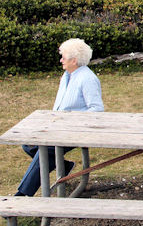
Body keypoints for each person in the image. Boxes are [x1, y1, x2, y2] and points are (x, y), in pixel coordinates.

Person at [15, 38, 104, 196]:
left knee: (46, 149)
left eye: (63, 57)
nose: (61, 60)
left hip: (76, 131)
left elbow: (97, 110)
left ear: (74, 60)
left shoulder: (87, 79)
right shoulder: (67, 75)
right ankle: (63, 166)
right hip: (59, 128)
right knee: (28, 144)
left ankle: (23, 194)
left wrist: (72, 121)